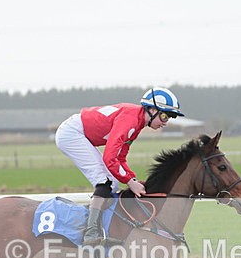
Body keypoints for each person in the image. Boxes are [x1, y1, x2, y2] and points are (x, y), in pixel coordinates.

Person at [55, 87, 184, 245]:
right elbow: (110, 158)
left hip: (78, 132)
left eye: (169, 118)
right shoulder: (130, 119)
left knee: (112, 183)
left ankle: (99, 227)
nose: (165, 122)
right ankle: (91, 233)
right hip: (72, 134)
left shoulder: (137, 123)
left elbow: (120, 157)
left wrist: (133, 179)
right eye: (164, 116)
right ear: (151, 110)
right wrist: (130, 183)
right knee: (106, 181)